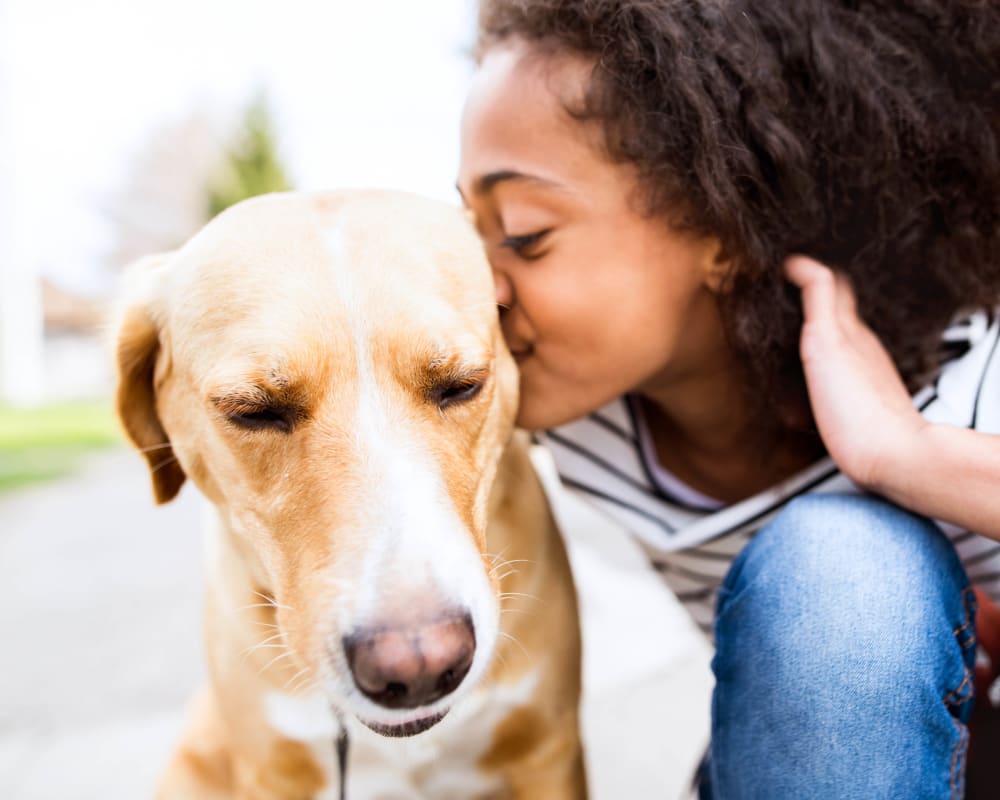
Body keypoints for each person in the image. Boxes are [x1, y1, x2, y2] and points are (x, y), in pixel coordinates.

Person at [456, 1, 1000, 797]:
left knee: (840, 564)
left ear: (725, 230)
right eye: (469, 227)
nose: (484, 284)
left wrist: (905, 454)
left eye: (526, 233)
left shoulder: (961, 382)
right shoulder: (580, 415)